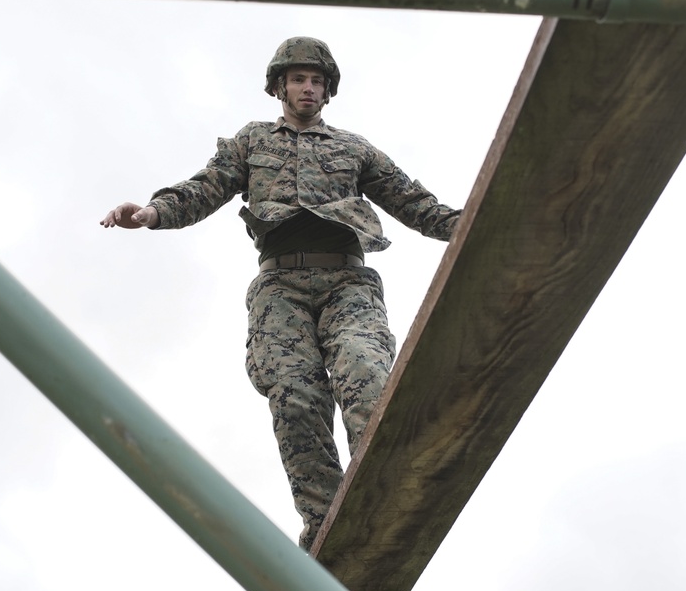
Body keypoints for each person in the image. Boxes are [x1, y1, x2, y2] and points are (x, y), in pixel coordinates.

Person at [101, 37, 460, 550]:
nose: (308, 89)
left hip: (347, 283)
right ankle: (326, 522)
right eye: (298, 79)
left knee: (365, 371)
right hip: (280, 289)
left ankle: (382, 488)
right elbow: (205, 187)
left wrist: (474, 222)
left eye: (316, 81)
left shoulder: (353, 149)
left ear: (328, 90)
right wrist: (153, 213)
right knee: (294, 398)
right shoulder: (252, 142)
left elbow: (415, 203)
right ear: (279, 86)